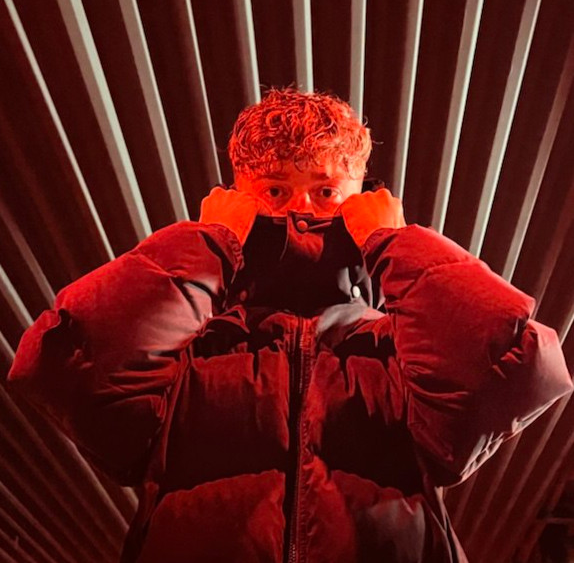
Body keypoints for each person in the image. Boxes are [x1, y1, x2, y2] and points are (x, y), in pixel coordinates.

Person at [7, 87, 572, 563]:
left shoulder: (402, 346)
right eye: (275, 190)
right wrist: (208, 244)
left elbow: (517, 362)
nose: (300, 208)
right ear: (237, 201)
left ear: (360, 202)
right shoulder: (187, 346)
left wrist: (395, 244)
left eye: (326, 191)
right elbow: (65, 361)